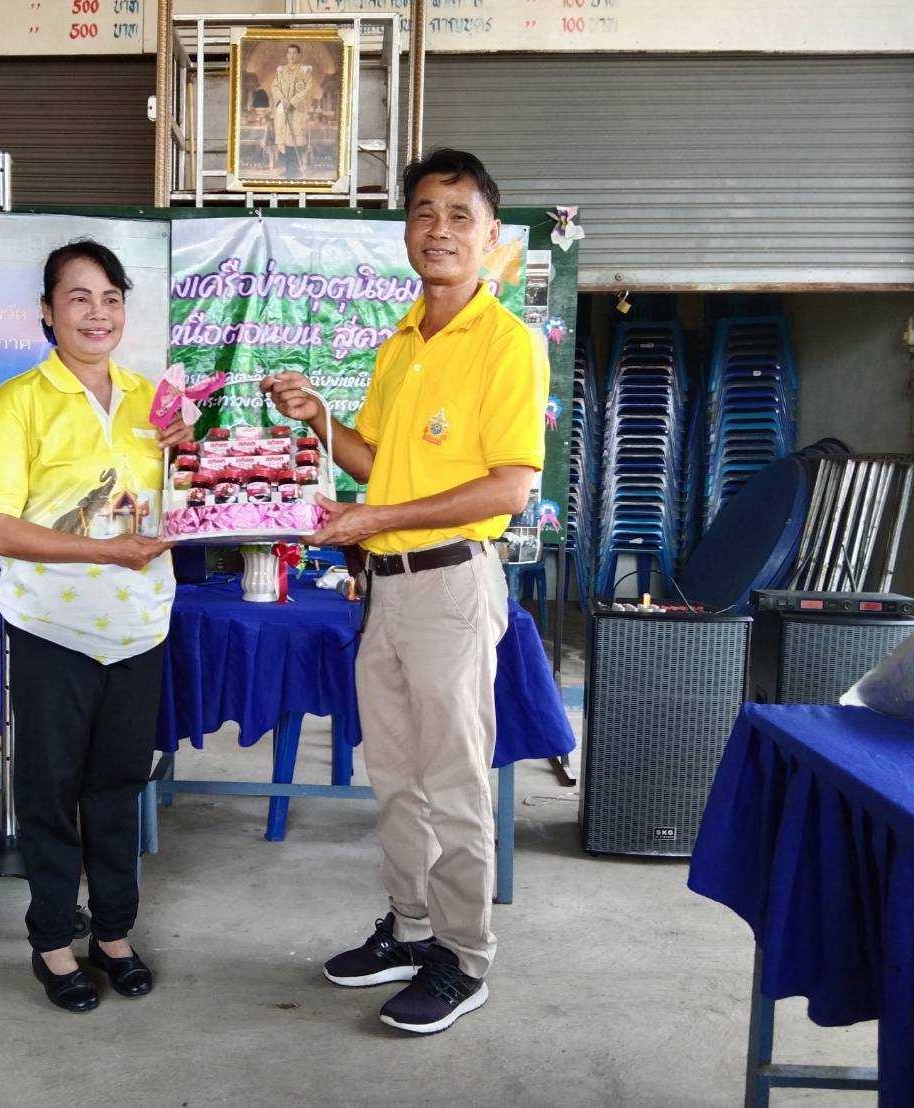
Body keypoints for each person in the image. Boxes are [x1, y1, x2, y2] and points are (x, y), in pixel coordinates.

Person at [262, 149, 548, 1034]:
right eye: (424, 212)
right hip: (385, 587)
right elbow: (377, 463)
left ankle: (463, 957)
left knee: (453, 781)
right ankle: (410, 927)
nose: (439, 230)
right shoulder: (400, 344)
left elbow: (510, 488)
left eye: (460, 215)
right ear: (405, 233)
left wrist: (372, 516)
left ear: (490, 237)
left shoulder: (506, 344)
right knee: (393, 777)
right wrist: (320, 419)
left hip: (451, 583)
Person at [0, 240, 187, 1012]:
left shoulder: (154, 400)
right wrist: (105, 550)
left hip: (139, 626)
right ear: (47, 312)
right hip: (53, 628)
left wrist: (192, 457)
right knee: (50, 789)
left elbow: (179, 505)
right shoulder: (19, 401)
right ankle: (53, 940)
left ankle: (112, 933)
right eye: (79, 297)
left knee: (118, 787)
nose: (98, 313)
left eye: (111, 298)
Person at [270, 43, 314, 179]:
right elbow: (274, 86)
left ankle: (293, 170)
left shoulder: (305, 71)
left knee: (294, 139)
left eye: (294, 53)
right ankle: (289, 169)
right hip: (283, 109)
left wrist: (293, 102)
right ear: (286, 55)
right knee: (284, 139)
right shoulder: (281, 70)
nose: (291, 56)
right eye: (289, 53)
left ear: (299, 55)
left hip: (297, 111)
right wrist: (282, 99)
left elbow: (308, 88)